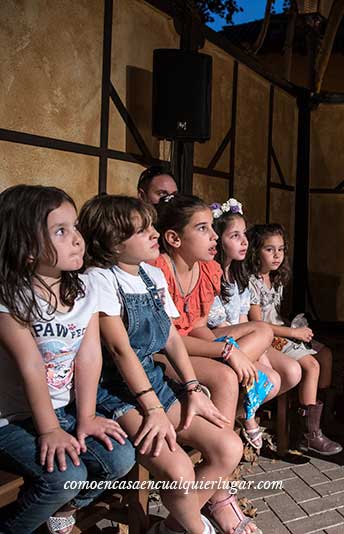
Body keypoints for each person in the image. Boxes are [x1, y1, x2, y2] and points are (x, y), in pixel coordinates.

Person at [79, 194, 260, 534]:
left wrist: (193, 388)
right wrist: (153, 408)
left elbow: (172, 338)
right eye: (143, 230)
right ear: (114, 242)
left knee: (228, 447)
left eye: (152, 226)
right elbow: (121, 351)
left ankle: (173, 528)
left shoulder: (150, 274)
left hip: (153, 381)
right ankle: (198, 530)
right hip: (116, 393)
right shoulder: (100, 279)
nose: (154, 234)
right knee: (178, 471)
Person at [0, 186, 135, 534]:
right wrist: (49, 430)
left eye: (75, 227)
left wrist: (87, 417)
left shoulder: (85, 289)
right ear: (27, 247)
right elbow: (29, 364)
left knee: (120, 458)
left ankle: (62, 512)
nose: (77, 239)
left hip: (63, 409)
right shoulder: (10, 296)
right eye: (61, 231)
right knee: (67, 475)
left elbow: (89, 355)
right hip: (11, 420)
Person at [246, 224, 343, 456]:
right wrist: (293, 334)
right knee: (311, 364)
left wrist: (296, 327)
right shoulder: (253, 283)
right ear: (255, 251)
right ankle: (309, 435)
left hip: (283, 330)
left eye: (281, 249)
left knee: (325, 354)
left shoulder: (275, 278)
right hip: (269, 338)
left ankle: (317, 420)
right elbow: (259, 325)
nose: (277, 255)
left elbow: (278, 316)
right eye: (270, 249)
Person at [207, 199, 294, 452]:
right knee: (265, 333)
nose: (245, 241)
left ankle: (240, 413)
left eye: (244, 235)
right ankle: (244, 418)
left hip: (241, 340)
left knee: (273, 378)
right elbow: (217, 324)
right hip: (217, 341)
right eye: (235, 235)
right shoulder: (210, 273)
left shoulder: (238, 275)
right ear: (218, 240)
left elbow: (244, 319)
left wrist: (260, 354)